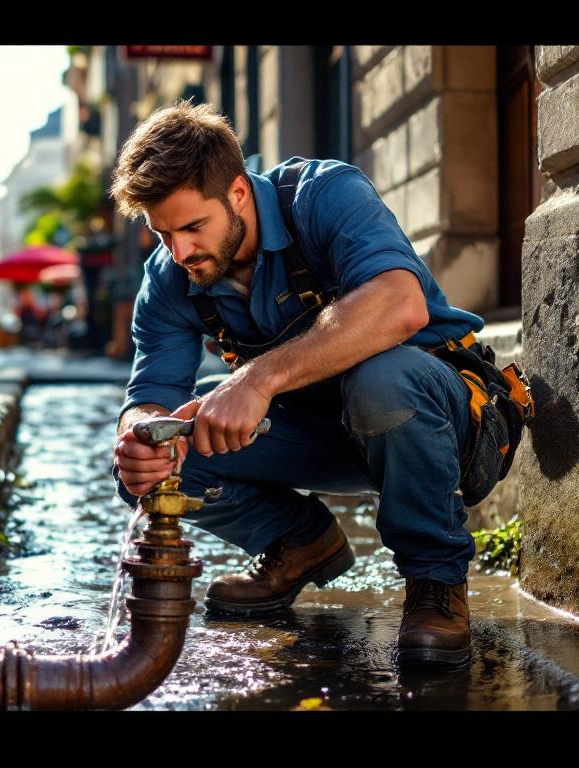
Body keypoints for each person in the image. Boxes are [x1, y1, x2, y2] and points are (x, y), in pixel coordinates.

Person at [109, 101, 513, 669]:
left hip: (442, 421)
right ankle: (299, 542)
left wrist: (257, 379)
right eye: (162, 233)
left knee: (383, 380)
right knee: (151, 458)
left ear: (240, 194)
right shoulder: (170, 277)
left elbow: (400, 303)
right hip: (322, 434)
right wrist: (137, 437)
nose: (181, 252)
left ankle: (435, 583)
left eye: (194, 227)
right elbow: (149, 394)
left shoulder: (325, 194)